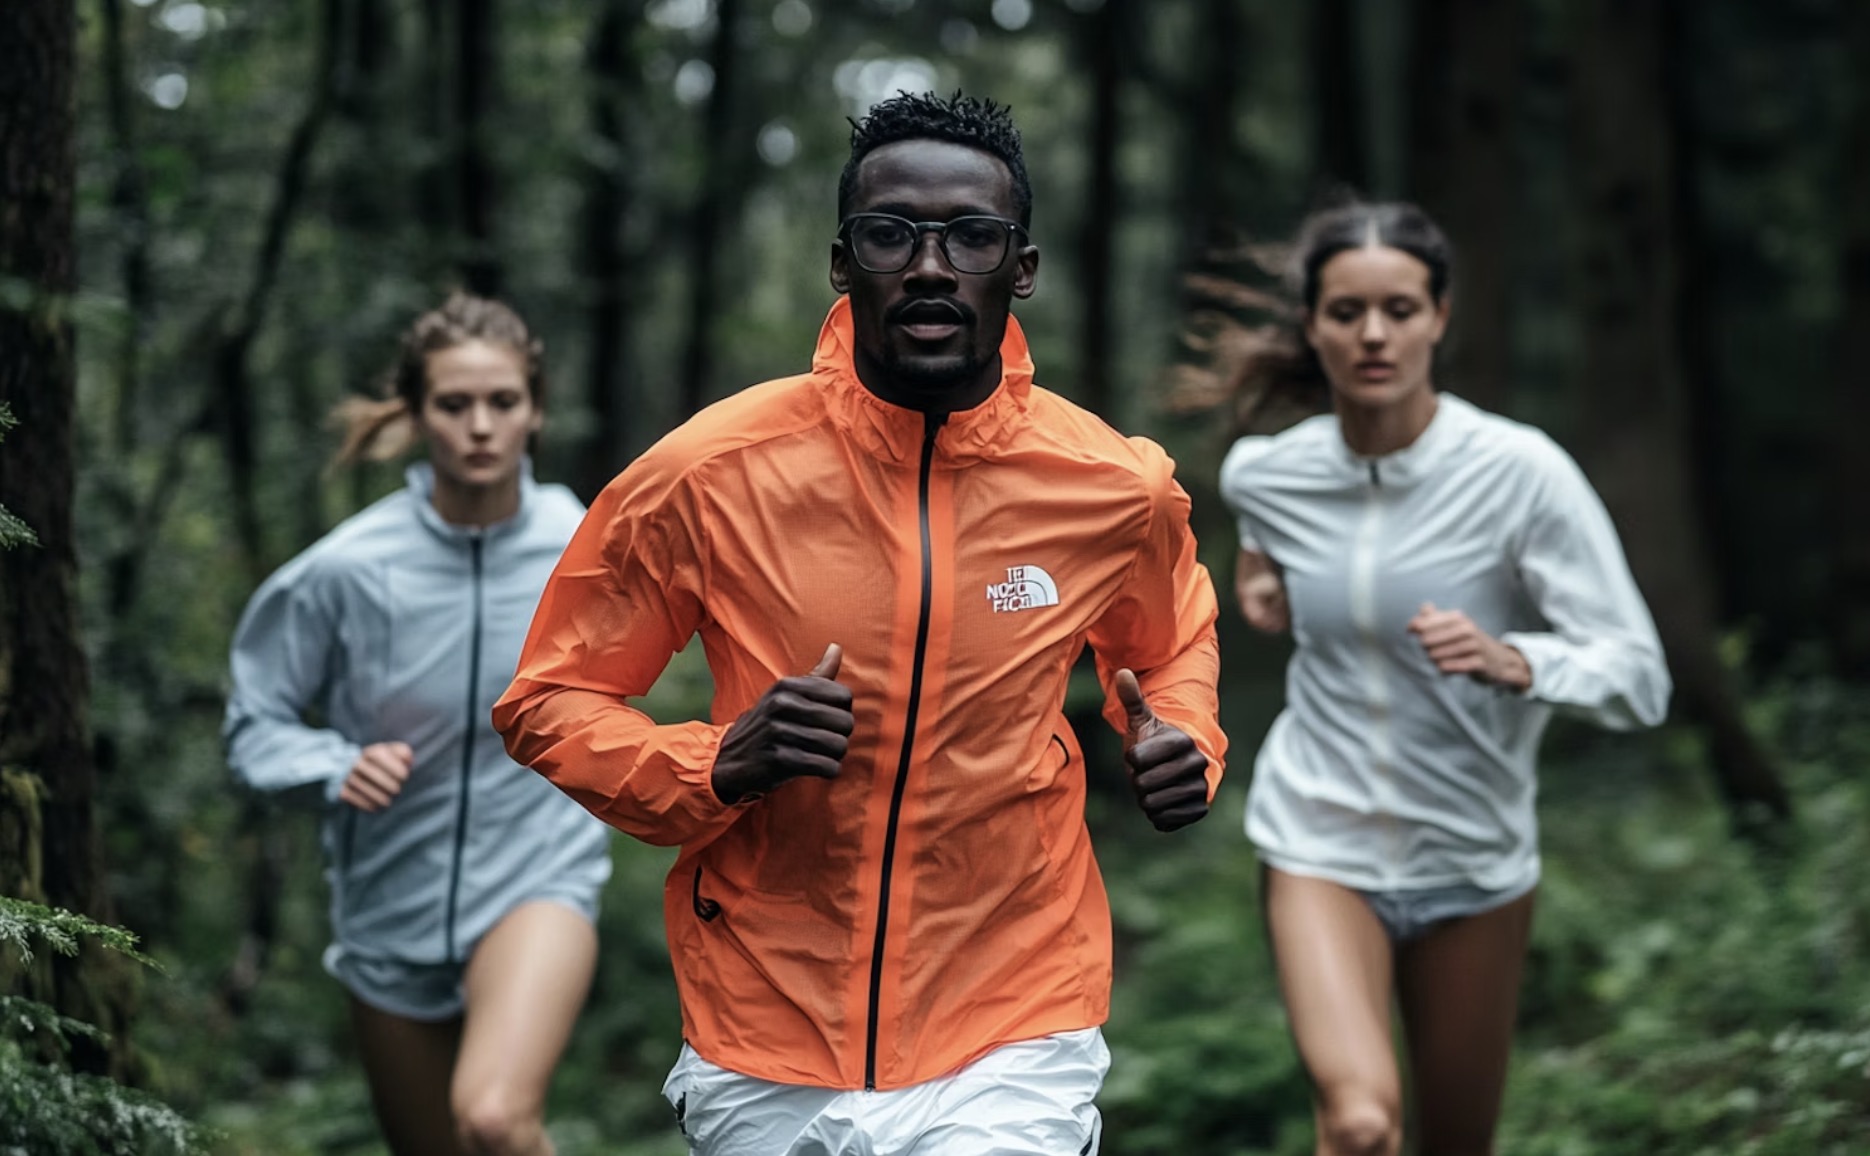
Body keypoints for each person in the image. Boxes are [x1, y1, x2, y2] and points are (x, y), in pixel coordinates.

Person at [493, 91, 1226, 1156]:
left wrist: (1181, 736)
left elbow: (1169, 643)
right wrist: (714, 765)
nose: (930, 267)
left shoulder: (1113, 487)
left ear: (1020, 268)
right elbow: (550, 698)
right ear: (842, 263)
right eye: (891, 234)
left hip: (1013, 1014)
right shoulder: (707, 474)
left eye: (970, 236)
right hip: (765, 1017)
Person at [1214, 202, 1672, 1156]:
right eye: (1347, 313)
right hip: (1319, 841)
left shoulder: (1520, 473)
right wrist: (1255, 568)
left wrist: (1521, 660)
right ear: (1312, 326)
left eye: (1400, 309)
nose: (1374, 336)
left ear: (1440, 318)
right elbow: (1264, 529)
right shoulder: (1267, 476)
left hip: (1474, 860)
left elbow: (1640, 677)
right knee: (1360, 1122)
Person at [222, 292, 612, 1156]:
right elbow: (253, 725)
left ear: (535, 411)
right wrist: (331, 766)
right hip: (388, 909)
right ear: (414, 413)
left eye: (503, 402)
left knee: (494, 1120)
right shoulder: (346, 570)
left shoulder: (582, 545)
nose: (480, 427)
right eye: (453, 404)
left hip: (536, 876)